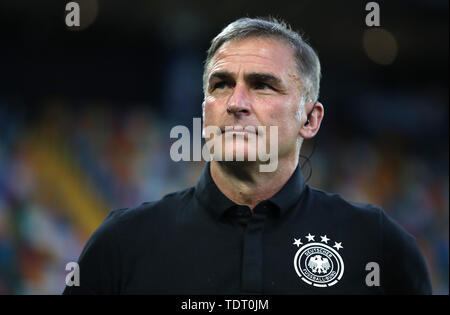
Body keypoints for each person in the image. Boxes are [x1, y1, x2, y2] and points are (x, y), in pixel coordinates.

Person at [63, 17, 432, 295]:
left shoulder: (379, 246)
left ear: (309, 118)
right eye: (221, 85)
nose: (236, 103)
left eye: (262, 85)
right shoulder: (123, 242)